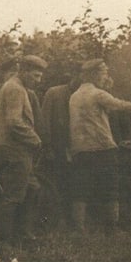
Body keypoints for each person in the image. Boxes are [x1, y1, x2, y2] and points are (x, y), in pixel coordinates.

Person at [68, 59, 131, 232]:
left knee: (80, 189)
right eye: (103, 74)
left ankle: (79, 229)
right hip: (102, 148)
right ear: (94, 74)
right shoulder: (97, 94)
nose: (105, 77)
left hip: (79, 149)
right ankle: (112, 227)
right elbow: (122, 106)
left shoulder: (74, 96)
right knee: (110, 187)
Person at [0, 54, 47, 245]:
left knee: (32, 189)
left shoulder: (15, 86)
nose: (38, 80)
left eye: (40, 76)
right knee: (13, 195)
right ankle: (4, 241)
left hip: (14, 148)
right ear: (23, 71)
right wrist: (35, 140)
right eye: (35, 76)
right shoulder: (15, 89)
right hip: (15, 149)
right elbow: (14, 122)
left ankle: (23, 234)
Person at [37, 70, 81, 229]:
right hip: (57, 147)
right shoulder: (55, 93)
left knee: (74, 184)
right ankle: (55, 220)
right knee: (57, 183)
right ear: (74, 76)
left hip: (77, 148)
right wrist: (47, 145)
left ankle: (71, 220)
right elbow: (45, 120)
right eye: (78, 76)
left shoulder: (83, 95)